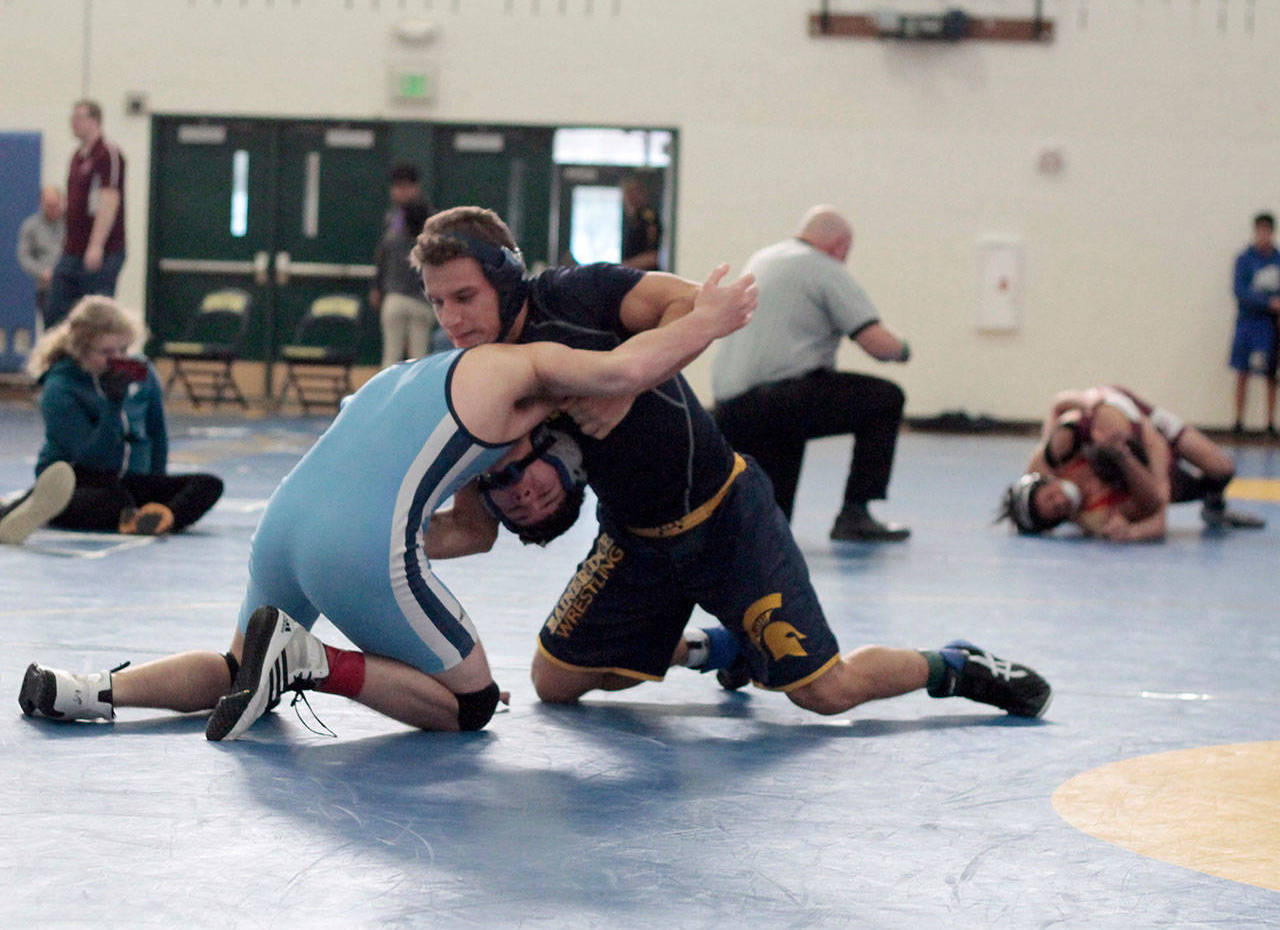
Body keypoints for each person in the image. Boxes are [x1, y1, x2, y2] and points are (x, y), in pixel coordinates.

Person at [19, 261, 758, 742]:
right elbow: (622, 369)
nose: (452, 315)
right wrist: (710, 319)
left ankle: (87, 690)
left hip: (284, 526)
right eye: (444, 300)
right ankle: (309, 661)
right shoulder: (523, 365)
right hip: (359, 544)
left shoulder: (398, 376)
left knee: (239, 664)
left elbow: (468, 530)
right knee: (469, 705)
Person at [414, 206, 1051, 721]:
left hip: (724, 517)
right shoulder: (475, 378)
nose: (453, 319)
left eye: (465, 296)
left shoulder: (574, 297)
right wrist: (388, 541)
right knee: (556, 682)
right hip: (634, 538)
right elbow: (472, 527)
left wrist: (630, 377)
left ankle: (955, 665)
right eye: (438, 303)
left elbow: (696, 303)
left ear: (506, 279)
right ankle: (718, 648)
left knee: (825, 692)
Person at [711, 205, 911, 542]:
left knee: (774, 521)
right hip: (780, 400)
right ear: (840, 246)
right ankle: (855, 514)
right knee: (885, 399)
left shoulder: (765, 258)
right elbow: (878, 344)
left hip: (730, 408)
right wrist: (904, 350)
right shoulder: (823, 267)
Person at [26, 296, 223, 536]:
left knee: (208, 485)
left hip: (130, 481)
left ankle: (160, 518)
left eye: (124, 349)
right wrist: (113, 404)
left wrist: (156, 485)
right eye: (106, 352)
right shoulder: (60, 387)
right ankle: (39, 505)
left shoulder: (142, 374)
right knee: (112, 499)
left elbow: (156, 433)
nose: (118, 359)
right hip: (79, 479)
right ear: (81, 349)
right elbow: (93, 460)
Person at [999, 385, 1265, 541]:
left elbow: (1059, 404)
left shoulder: (1051, 456)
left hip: (1135, 417)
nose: (1060, 502)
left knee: (1221, 469)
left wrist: (1086, 401)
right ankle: (1210, 499)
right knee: (1215, 474)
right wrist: (1132, 531)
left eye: (1050, 497)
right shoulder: (1095, 518)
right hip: (1134, 458)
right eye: (1056, 511)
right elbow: (1157, 518)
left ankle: (1214, 502)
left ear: (1046, 481)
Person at [42, 100, 126, 329]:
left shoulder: (107, 153)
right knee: (54, 311)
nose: (73, 123)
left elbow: (109, 200)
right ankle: (58, 352)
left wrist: (96, 245)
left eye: (79, 118)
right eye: (72, 118)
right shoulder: (77, 157)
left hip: (102, 251)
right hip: (72, 249)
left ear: (94, 121)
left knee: (95, 318)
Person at [1229, 212, 1280, 436]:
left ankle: (1270, 423)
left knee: (1270, 373)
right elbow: (1240, 290)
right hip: (1247, 323)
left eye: (1266, 231)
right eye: (1259, 231)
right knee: (1242, 372)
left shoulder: (1278, 259)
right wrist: (1268, 302)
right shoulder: (1244, 259)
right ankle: (1238, 422)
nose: (1263, 235)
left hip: (1270, 326)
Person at [371, 199, 436, 366]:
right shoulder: (431, 245)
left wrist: (376, 288)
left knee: (391, 356)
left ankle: (387, 384)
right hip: (422, 302)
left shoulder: (391, 240)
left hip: (395, 300)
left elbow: (381, 265)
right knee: (419, 358)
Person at [15, 186, 65, 323]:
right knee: (52, 326)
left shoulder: (73, 223)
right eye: (49, 205)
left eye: (56, 205)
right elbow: (24, 257)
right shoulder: (31, 226)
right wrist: (42, 272)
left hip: (72, 286)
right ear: (41, 203)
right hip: (47, 288)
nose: (53, 209)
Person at [620, 177, 662, 271]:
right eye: (627, 194)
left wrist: (624, 267)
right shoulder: (632, 220)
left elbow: (653, 256)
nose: (629, 199)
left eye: (633, 194)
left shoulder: (647, 219)